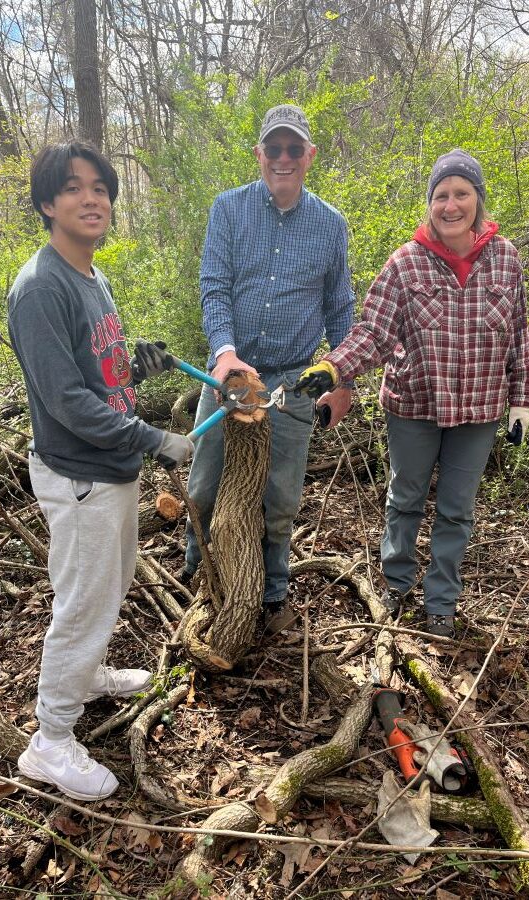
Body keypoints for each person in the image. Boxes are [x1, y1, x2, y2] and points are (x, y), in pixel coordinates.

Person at [8, 140, 193, 800]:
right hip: (81, 475)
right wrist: (157, 440)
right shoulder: (40, 289)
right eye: (74, 187)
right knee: (82, 605)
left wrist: (136, 367)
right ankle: (50, 740)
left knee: (107, 590)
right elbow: (66, 401)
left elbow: (97, 375)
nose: (93, 199)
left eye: (101, 187)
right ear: (47, 203)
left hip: (109, 470)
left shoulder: (89, 274)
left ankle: (85, 679)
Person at [294, 149, 529, 638]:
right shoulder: (406, 263)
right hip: (413, 405)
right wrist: (332, 367)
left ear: (478, 200)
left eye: (461, 194)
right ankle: (396, 583)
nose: (451, 205)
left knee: (456, 509)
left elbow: (518, 333)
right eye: (441, 195)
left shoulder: (505, 259)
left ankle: (441, 603)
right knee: (405, 499)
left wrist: (522, 400)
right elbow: (374, 333)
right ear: (430, 203)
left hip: (479, 408)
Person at [182, 104, 355, 618]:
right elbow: (214, 286)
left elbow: (340, 305)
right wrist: (225, 352)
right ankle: (199, 571)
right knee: (205, 482)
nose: (283, 157)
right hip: (231, 370)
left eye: (293, 148)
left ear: (309, 156)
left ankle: (272, 590)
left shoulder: (330, 225)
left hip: (291, 382)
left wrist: (342, 380)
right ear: (259, 154)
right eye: (273, 148)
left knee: (280, 497)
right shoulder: (228, 209)